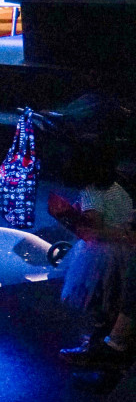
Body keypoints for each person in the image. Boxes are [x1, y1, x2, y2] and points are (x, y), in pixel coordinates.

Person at [50, 144, 135, 368]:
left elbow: (94, 227)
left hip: (102, 255)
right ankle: (106, 342)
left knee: (99, 302)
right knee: (114, 299)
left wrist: (75, 220)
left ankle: (94, 350)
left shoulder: (91, 192)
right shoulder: (116, 187)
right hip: (124, 252)